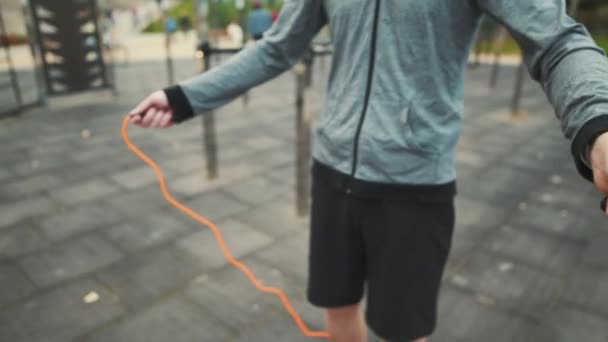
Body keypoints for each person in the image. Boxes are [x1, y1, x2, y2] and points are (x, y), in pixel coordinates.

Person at [128, 1, 608, 341]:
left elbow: (558, 40)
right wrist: (184, 97)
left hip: (415, 187)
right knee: (336, 307)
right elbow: (276, 48)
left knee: (403, 329)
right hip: (333, 172)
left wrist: (597, 124)